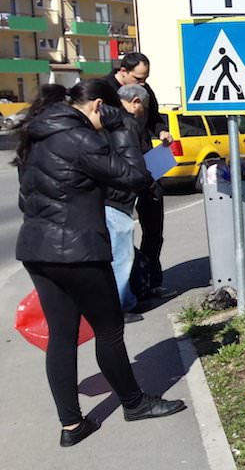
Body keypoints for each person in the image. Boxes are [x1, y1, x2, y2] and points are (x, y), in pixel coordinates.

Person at [14, 81, 186, 447]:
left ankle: (71, 425)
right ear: (96, 106)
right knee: (109, 331)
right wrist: (124, 127)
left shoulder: (35, 136)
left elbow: (24, 200)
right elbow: (137, 177)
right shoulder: (78, 138)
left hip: (35, 249)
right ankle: (135, 404)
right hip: (78, 251)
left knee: (61, 336)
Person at [103, 52, 175, 299]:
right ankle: (123, 291)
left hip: (148, 163)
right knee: (118, 234)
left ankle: (152, 281)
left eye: (146, 79)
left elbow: (154, 118)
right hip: (117, 170)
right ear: (123, 71)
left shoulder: (145, 90)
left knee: (154, 227)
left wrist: (162, 131)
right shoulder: (103, 90)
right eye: (138, 78)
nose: (143, 84)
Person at [103, 84, 152, 322]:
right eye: (144, 106)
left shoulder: (101, 121)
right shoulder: (125, 123)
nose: (143, 112)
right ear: (135, 101)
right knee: (121, 256)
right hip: (118, 199)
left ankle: (126, 299)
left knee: (115, 254)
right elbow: (133, 165)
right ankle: (120, 306)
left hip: (104, 197)